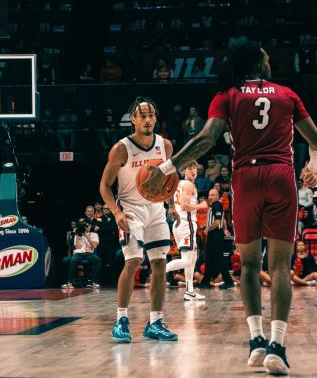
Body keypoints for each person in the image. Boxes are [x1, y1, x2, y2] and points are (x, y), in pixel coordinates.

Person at [141, 41, 317, 375]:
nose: (270, 62)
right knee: (281, 266)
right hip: (282, 174)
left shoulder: (227, 95)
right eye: (267, 58)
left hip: (246, 177)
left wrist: (166, 169)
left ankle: (256, 341)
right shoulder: (287, 93)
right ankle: (277, 347)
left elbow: (205, 140)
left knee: (250, 264)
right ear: (259, 63)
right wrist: (313, 165)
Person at [99, 96, 178, 343]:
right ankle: (121, 319)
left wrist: (172, 205)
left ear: (156, 118)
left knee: (160, 264)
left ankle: (155, 322)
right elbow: (104, 185)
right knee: (133, 261)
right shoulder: (121, 148)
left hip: (156, 210)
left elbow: (169, 178)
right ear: (133, 119)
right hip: (131, 209)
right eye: (142, 115)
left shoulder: (165, 145)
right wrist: (117, 212)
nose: (147, 119)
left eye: (151, 115)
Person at [166, 160, 208, 301]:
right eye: (189, 168)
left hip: (180, 224)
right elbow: (184, 206)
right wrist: (201, 205)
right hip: (186, 224)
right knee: (187, 260)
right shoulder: (189, 185)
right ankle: (161, 270)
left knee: (192, 258)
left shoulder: (180, 184)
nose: (193, 170)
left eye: (194, 167)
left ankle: (189, 290)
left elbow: (172, 199)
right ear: (184, 171)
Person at [199, 188, 235, 289]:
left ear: (218, 196)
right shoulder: (214, 206)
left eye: (213, 195)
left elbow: (217, 222)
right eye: (209, 195)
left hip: (215, 235)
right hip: (213, 234)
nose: (210, 197)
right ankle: (205, 282)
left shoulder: (217, 205)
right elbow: (222, 219)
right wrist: (206, 226)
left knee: (218, 259)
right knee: (209, 259)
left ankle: (228, 281)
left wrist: (208, 229)